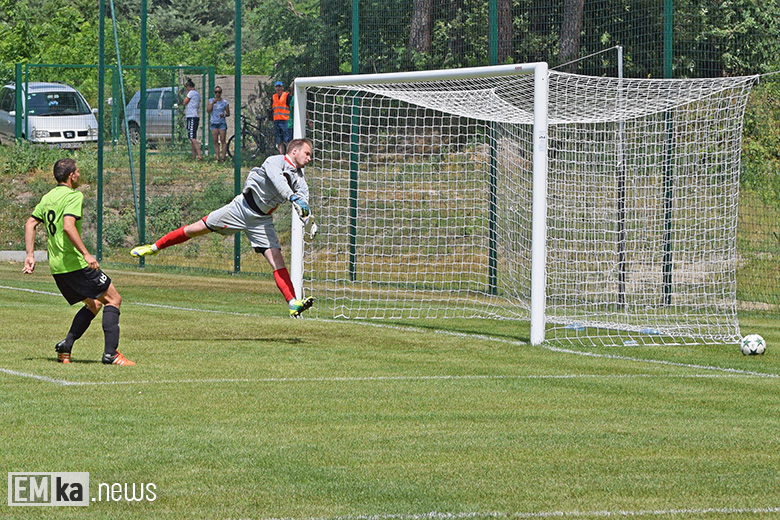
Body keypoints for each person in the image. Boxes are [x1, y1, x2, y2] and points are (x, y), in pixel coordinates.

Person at [130, 138, 316, 318]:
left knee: (277, 260)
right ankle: (154, 247)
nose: (309, 158)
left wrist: (308, 219)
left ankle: (293, 303)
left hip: (262, 220)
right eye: (307, 153)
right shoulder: (274, 161)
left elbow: (303, 199)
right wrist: (293, 198)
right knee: (194, 230)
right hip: (240, 208)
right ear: (294, 151)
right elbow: (278, 181)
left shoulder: (299, 178)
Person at [23, 158, 134, 366]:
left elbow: (30, 223)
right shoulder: (74, 196)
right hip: (75, 264)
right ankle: (111, 354)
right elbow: (68, 226)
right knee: (114, 299)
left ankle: (66, 346)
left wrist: (30, 255)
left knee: (94, 304)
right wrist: (86, 254)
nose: (79, 175)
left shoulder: (48, 197)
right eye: (78, 171)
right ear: (71, 175)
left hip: (57, 268)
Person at [207, 85, 230, 162]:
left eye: (219, 92)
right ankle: (217, 157)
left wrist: (223, 115)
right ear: (214, 93)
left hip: (221, 123)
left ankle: (223, 158)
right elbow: (208, 111)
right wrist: (213, 103)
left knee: (223, 140)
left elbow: (228, 113)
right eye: (216, 92)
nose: (217, 94)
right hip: (214, 123)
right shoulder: (211, 101)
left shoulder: (225, 102)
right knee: (215, 141)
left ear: (221, 93)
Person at [269, 80, 291, 154]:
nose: (278, 88)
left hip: (285, 121)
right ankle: (281, 156)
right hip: (276, 121)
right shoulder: (273, 97)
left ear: (282, 88)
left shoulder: (287, 96)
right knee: (279, 141)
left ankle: (289, 156)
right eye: (277, 87)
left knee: (287, 139)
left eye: (279, 86)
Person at [183, 78, 202, 160]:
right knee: (192, 137)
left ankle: (199, 155)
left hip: (191, 117)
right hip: (194, 117)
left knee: (192, 138)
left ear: (188, 86)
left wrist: (187, 94)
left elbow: (184, 102)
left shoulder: (191, 93)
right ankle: (193, 156)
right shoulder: (197, 94)